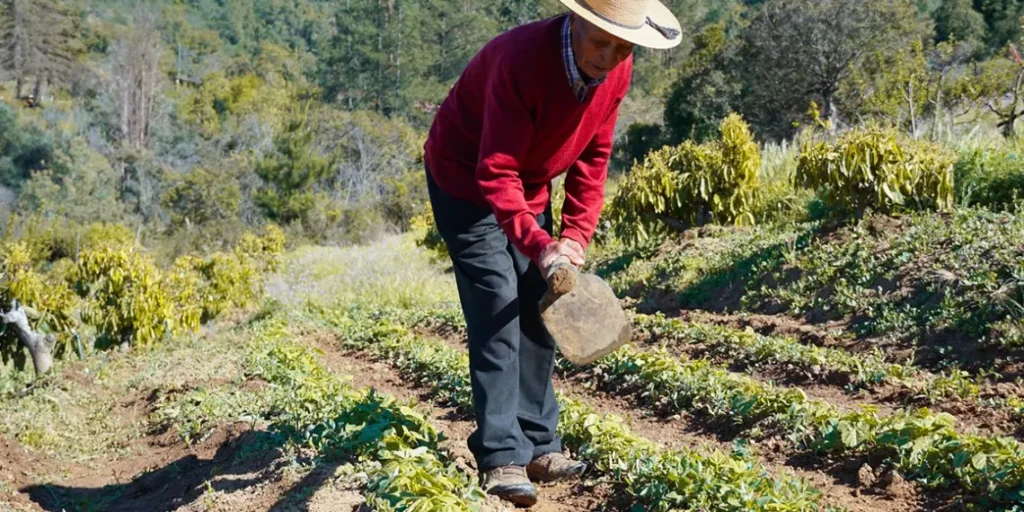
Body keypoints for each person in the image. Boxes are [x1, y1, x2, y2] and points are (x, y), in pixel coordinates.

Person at [422, 0, 681, 506]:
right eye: (601, 42)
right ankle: (501, 455)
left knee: (541, 301)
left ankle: (540, 443)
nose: (609, 57)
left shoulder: (617, 67)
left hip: (529, 184)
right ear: (576, 21)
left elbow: (593, 158)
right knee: (498, 304)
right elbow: (495, 172)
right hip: (465, 182)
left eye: (623, 47)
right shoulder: (520, 60)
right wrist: (541, 245)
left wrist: (574, 239)